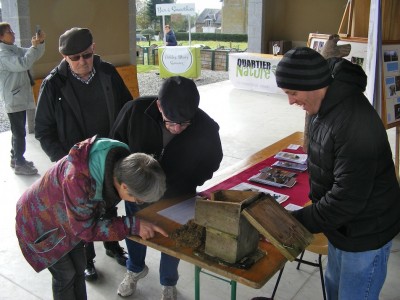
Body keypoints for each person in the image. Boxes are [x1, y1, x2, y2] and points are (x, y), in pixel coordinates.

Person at [274, 47, 400, 299]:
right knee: (335, 290)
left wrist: (294, 222)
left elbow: (346, 200)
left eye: (292, 92)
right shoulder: (324, 105)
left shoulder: (353, 121)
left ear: (312, 84)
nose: (290, 101)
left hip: (366, 233)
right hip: (341, 228)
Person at [110, 76, 223, 300]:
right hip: (137, 193)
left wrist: (190, 183)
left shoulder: (206, 127)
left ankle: (168, 282)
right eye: (171, 122)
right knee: (135, 232)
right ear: (159, 105)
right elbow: (116, 146)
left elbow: (213, 161)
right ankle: (135, 269)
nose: (178, 129)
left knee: (173, 241)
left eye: (184, 123)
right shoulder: (134, 111)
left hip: (178, 197)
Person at [34, 27, 133, 281]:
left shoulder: (108, 73)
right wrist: (64, 162)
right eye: (74, 58)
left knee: (109, 202)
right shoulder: (53, 84)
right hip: (76, 166)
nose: (82, 62)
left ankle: (112, 246)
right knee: (82, 212)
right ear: (64, 57)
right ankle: (87, 259)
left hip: (109, 158)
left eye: (86, 55)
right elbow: (43, 130)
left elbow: (127, 109)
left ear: (93, 49)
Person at [16, 136, 167, 300]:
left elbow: (85, 219)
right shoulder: (79, 180)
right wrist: (132, 225)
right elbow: (86, 229)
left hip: (69, 218)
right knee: (65, 275)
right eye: (139, 200)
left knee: (79, 267)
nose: (139, 204)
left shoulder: (121, 162)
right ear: (124, 186)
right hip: (40, 222)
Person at [0, 22, 45, 175]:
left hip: (18, 96)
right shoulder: (3, 53)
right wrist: (33, 48)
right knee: (19, 132)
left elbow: (32, 55)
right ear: (1, 37)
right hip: (13, 98)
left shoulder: (12, 49)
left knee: (17, 130)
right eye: (9, 31)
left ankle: (15, 158)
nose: (13, 33)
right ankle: (20, 163)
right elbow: (23, 63)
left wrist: (39, 43)